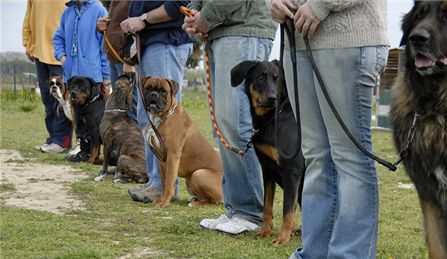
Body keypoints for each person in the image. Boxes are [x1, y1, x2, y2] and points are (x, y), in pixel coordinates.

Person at [268, 0, 389, 257]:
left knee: (350, 158)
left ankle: (349, 254)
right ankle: (313, 253)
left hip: (348, 39)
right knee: (316, 157)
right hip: (297, 43)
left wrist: (322, 4)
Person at [182, 1, 277, 234]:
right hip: (221, 30)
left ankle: (252, 212)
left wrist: (207, 16)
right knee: (224, 125)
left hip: (243, 28)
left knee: (237, 123)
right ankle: (236, 208)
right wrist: (194, 13)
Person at [120, 1, 193, 203]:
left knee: (166, 121)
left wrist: (143, 19)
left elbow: (180, 3)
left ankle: (163, 187)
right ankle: (156, 182)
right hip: (150, 42)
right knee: (148, 118)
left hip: (166, 41)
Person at [53, 0, 110, 162]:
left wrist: (106, 77)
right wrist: (63, 58)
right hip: (72, 75)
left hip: (92, 79)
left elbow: (104, 45)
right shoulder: (67, 13)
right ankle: (83, 151)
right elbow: (57, 38)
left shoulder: (99, 10)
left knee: (94, 120)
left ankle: (96, 154)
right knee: (78, 118)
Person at [22, 0, 73, 153]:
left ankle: (62, 141)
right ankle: (52, 138)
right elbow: (28, 17)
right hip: (39, 51)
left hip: (60, 54)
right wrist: (27, 43)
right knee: (47, 98)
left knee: (60, 100)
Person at [96, 0, 137, 122]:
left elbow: (136, 27)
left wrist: (130, 59)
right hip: (113, 56)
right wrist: (102, 26)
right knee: (120, 104)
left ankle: (137, 140)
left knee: (131, 105)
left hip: (125, 58)